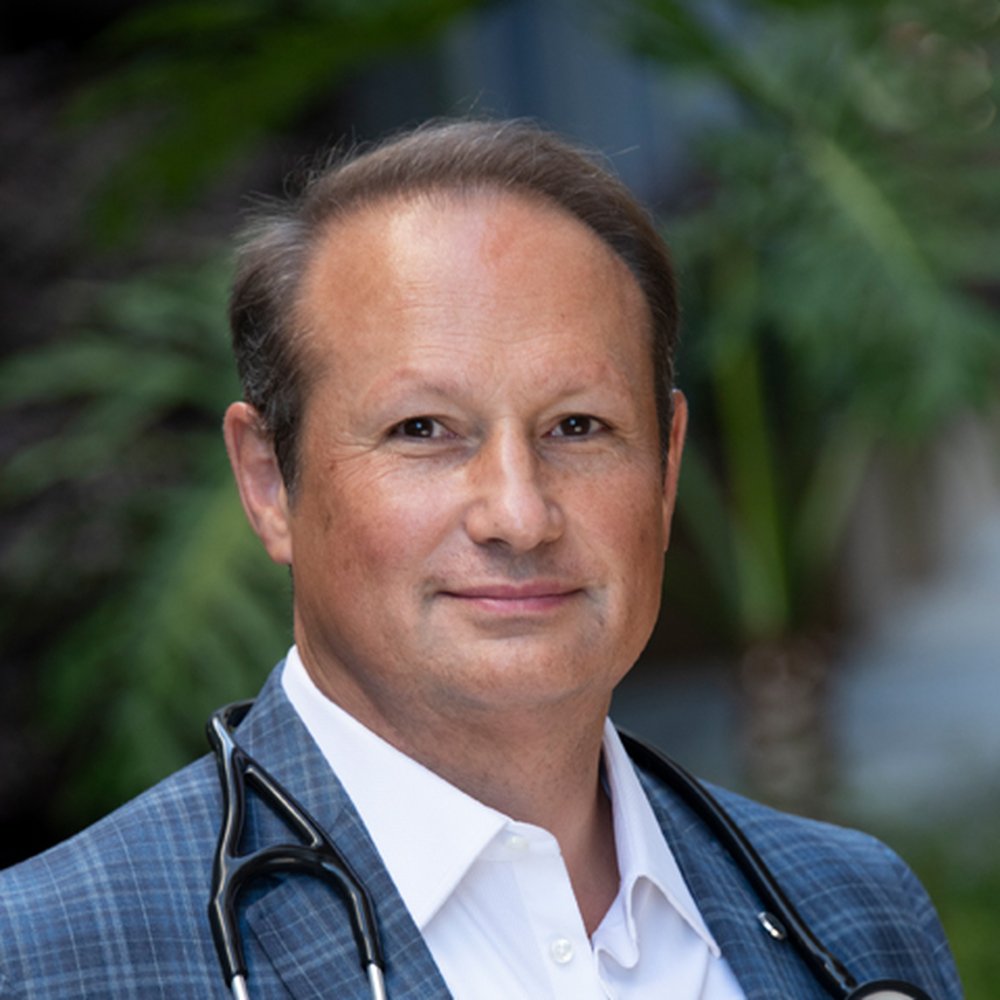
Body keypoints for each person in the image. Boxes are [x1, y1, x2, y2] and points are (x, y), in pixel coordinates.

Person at [0, 119, 960, 999]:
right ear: (267, 482)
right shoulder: (48, 961)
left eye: (578, 426)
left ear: (666, 469)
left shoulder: (859, 915)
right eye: (423, 429)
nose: (519, 514)